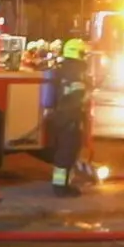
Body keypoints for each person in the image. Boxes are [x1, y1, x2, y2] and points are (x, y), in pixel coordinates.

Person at [49, 38, 91, 197]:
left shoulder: (65, 69)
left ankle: (63, 184)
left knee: (65, 151)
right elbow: (77, 96)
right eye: (83, 53)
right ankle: (61, 187)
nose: (85, 56)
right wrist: (87, 93)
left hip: (62, 116)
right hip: (69, 117)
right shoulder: (75, 72)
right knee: (67, 151)